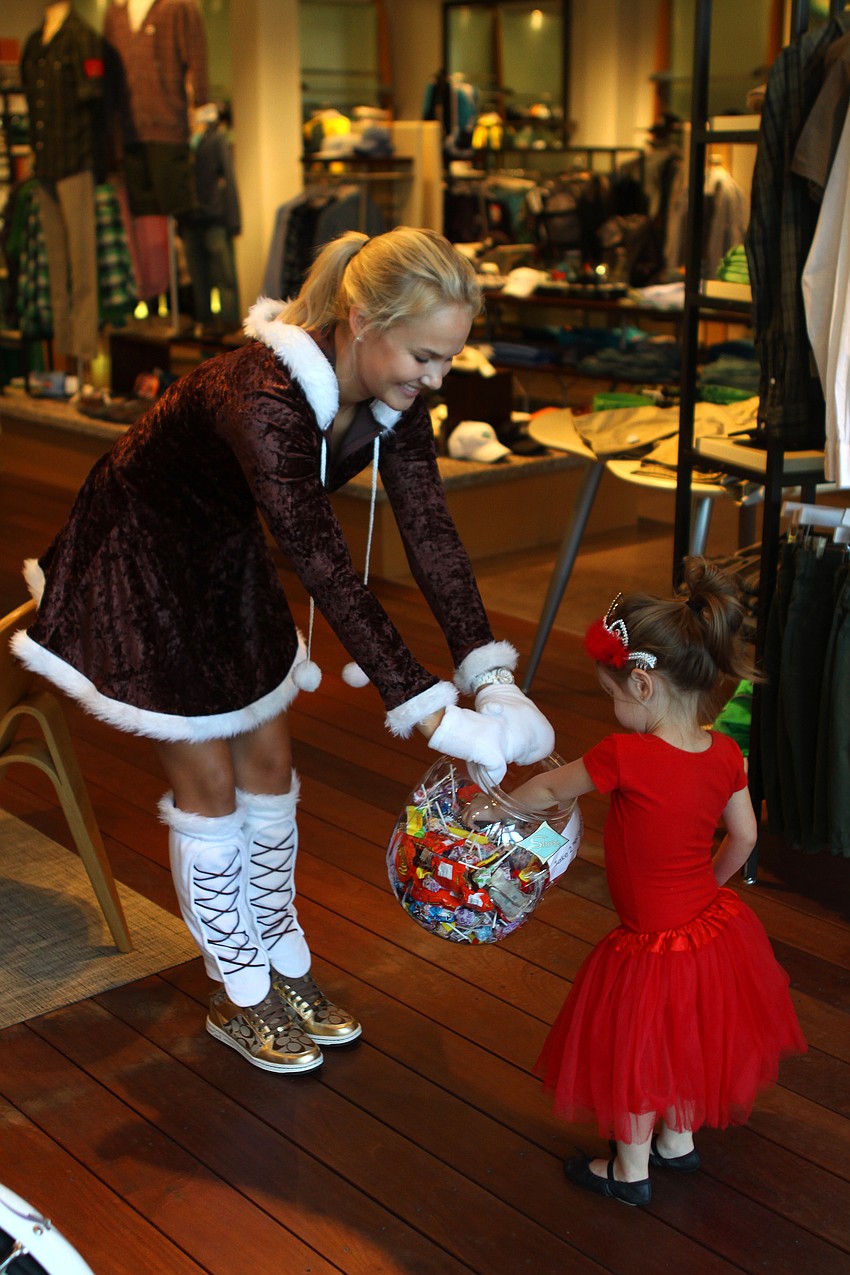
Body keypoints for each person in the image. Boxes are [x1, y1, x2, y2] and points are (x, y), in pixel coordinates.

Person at [11, 225, 554, 1075]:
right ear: (362, 319)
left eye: (449, 359)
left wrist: (486, 672)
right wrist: (428, 707)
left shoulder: (394, 397)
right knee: (212, 784)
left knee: (270, 762)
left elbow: (431, 533)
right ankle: (239, 990)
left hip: (222, 550)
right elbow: (324, 564)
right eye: (424, 355)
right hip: (141, 557)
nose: (436, 378)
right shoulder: (262, 396)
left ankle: (283, 959)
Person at [502, 558, 806, 1207]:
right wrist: (710, 890)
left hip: (649, 942)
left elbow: (551, 785)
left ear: (642, 684)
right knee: (689, 1034)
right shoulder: (726, 753)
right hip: (710, 930)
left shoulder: (625, 755)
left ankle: (630, 1169)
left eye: (612, 695)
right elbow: (746, 838)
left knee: (637, 1048)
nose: (612, 710)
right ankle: (679, 1139)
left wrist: (496, 807)